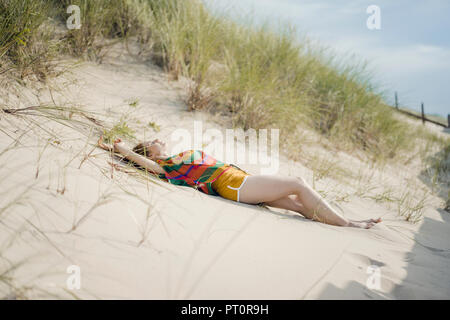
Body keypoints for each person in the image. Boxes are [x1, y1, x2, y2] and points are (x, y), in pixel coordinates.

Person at [98, 136, 382, 228]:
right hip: (233, 185)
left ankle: (347, 224)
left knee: (297, 205)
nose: (158, 140)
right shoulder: (166, 165)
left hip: (239, 181)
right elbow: (149, 167)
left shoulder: (173, 159)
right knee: (297, 182)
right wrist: (121, 150)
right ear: (150, 153)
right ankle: (349, 225)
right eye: (152, 142)